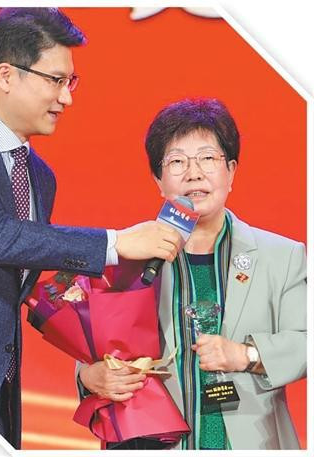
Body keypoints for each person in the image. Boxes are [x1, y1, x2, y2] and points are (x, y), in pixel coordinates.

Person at [0, 8, 182, 449]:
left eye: (70, 82)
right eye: (56, 80)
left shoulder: (40, 175)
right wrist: (116, 243)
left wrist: (97, 336)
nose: (66, 98)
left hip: (0, 388)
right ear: (7, 75)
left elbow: (23, 270)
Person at [78, 98, 307, 449]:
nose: (194, 173)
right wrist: (89, 376)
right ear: (158, 180)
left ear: (231, 171)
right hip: (150, 440)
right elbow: (92, 347)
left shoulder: (282, 256)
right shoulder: (128, 255)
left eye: (207, 158)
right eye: (177, 161)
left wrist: (246, 355)